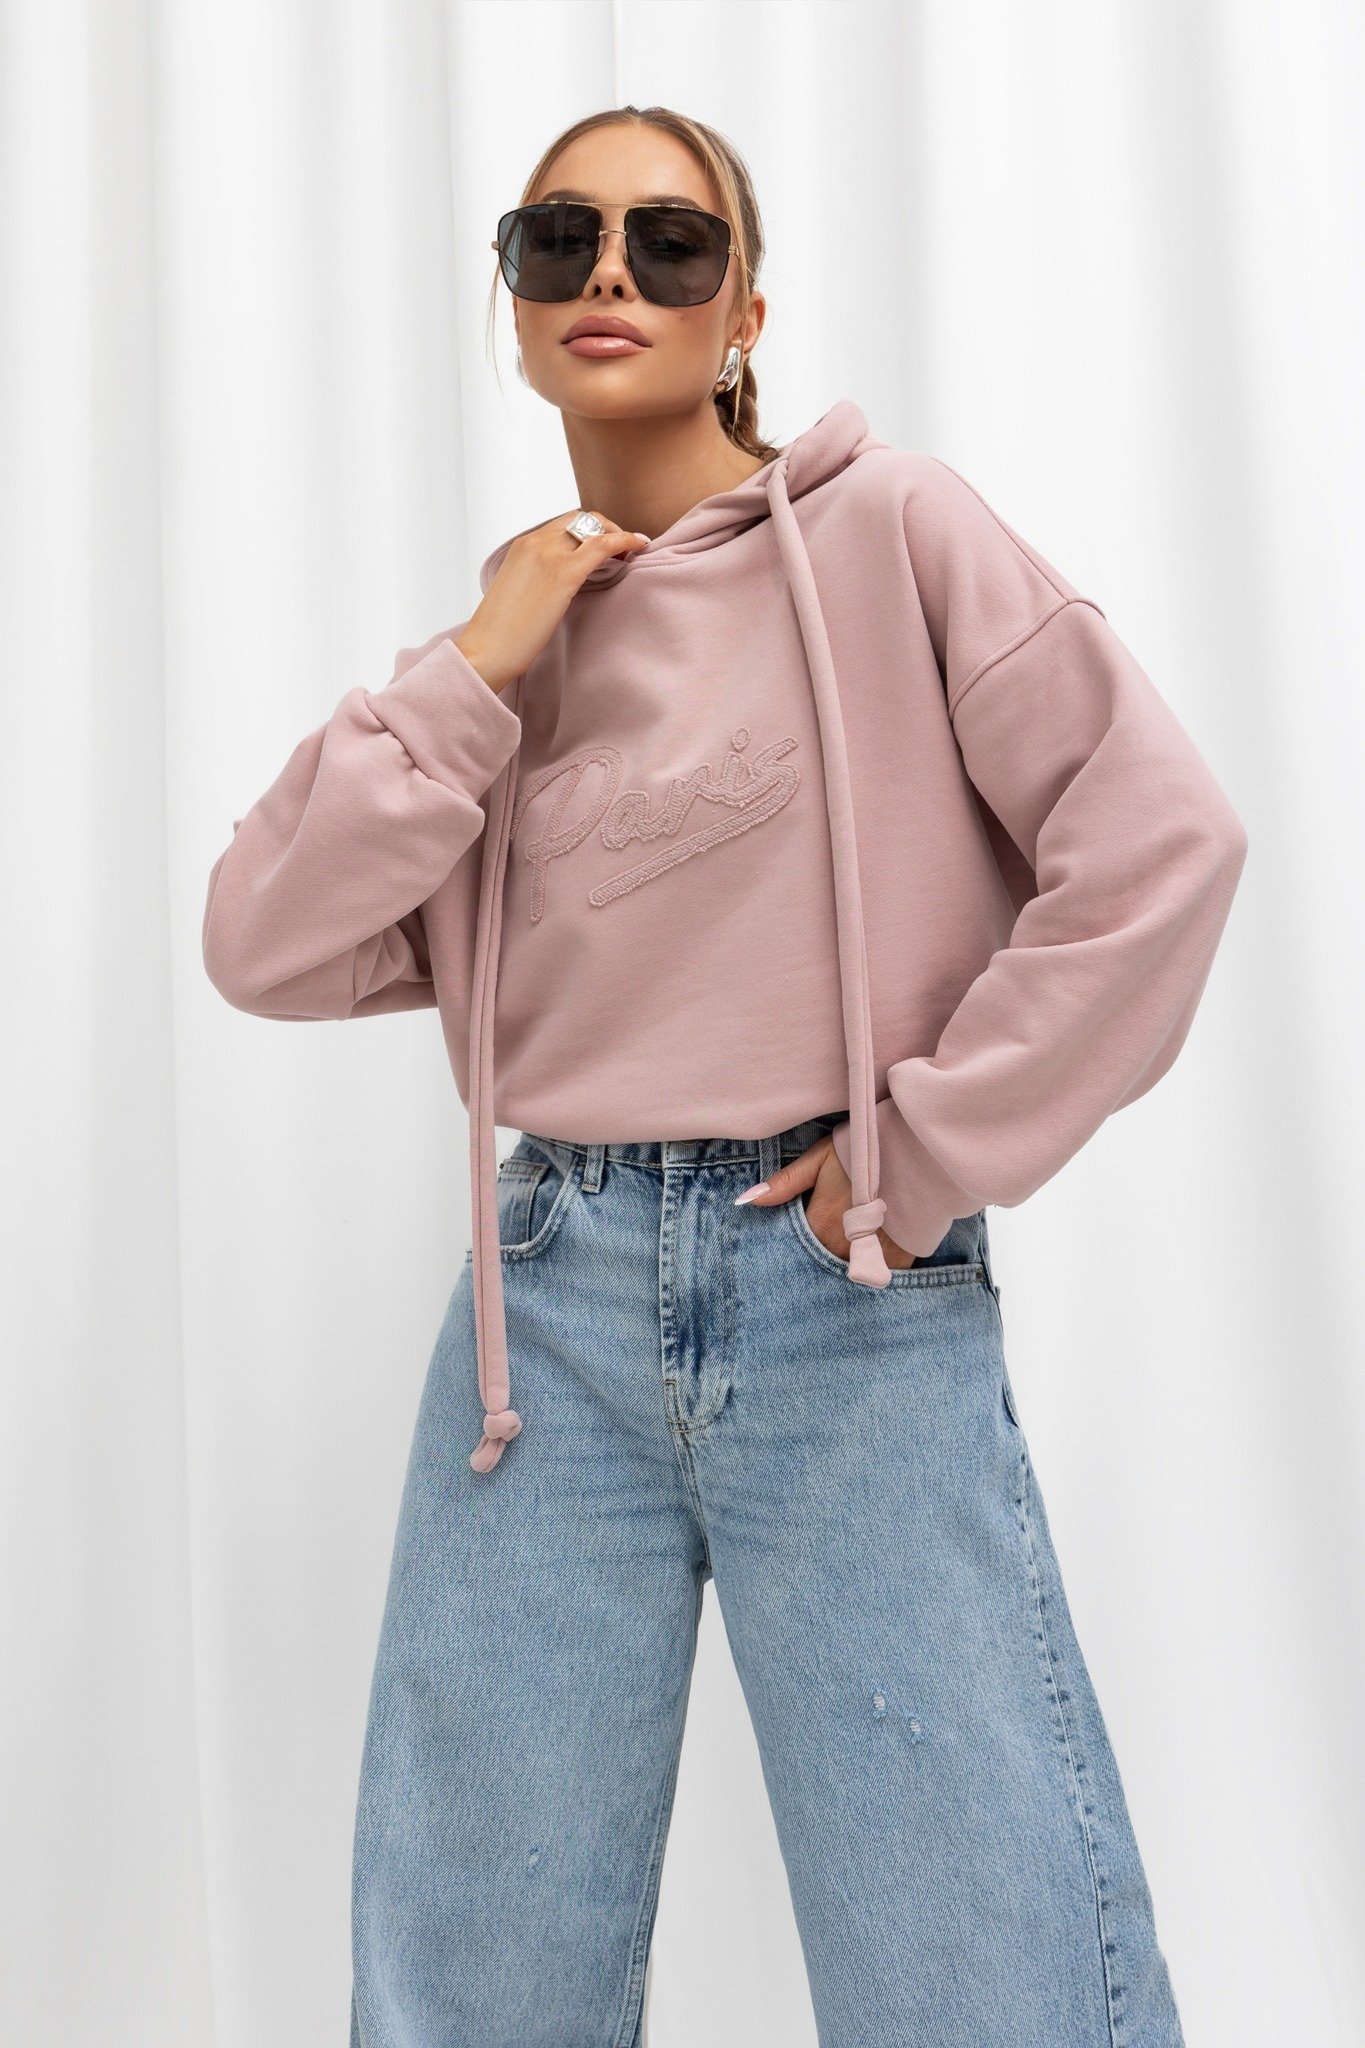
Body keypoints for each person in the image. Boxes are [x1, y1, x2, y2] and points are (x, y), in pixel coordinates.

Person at [203, 100, 1245, 2048]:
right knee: (467, 1971)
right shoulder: (499, 664)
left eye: (668, 243)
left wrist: (924, 1144)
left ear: (742, 308)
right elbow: (263, 937)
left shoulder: (894, 531)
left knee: (978, 1957)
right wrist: (475, 660)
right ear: (514, 294)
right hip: (547, 1316)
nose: (610, 272)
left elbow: (1160, 846)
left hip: (839, 1283)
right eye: (559, 237)